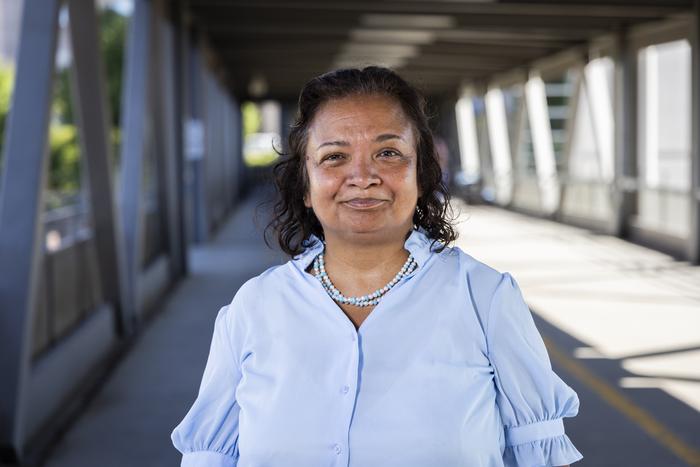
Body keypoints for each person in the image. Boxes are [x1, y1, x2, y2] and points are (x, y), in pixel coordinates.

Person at [171, 66, 582, 467]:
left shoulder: (485, 299)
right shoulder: (253, 308)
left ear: (421, 174)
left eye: (388, 153)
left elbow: (541, 453)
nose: (363, 176)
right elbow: (210, 456)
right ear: (306, 187)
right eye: (334, 157)